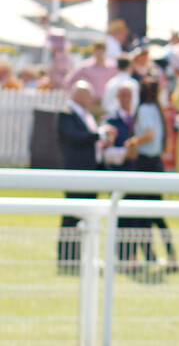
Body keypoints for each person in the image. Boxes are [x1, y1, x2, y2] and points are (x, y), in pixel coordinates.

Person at [56, 81, 115, 274]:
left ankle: (84, 258)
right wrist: (98, 135)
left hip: (91, 173)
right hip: (76, 174)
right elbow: (76, 137)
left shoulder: (86, 115)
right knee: (72, 218)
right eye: (89, 96)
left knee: (89, 216)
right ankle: (66, 259)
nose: (92, 100)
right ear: (80, 96)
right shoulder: (67, 114)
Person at [124, 78, 179, 273]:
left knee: (135, 213)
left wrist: (132, 142)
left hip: (144, 165)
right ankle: (170, 257)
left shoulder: (145, 109)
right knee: (156, 214)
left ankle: (132, 259)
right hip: (155, 164)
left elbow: (149, 134)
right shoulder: (157, 109)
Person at [64, 39, 119, 122]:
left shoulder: (112, 67)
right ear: (93, 50)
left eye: (101, 50)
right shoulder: (86, 66)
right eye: (97, 49)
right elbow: (69, 81)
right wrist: (77, 96)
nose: (99, 53)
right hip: (90, 103)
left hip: (106, 103)